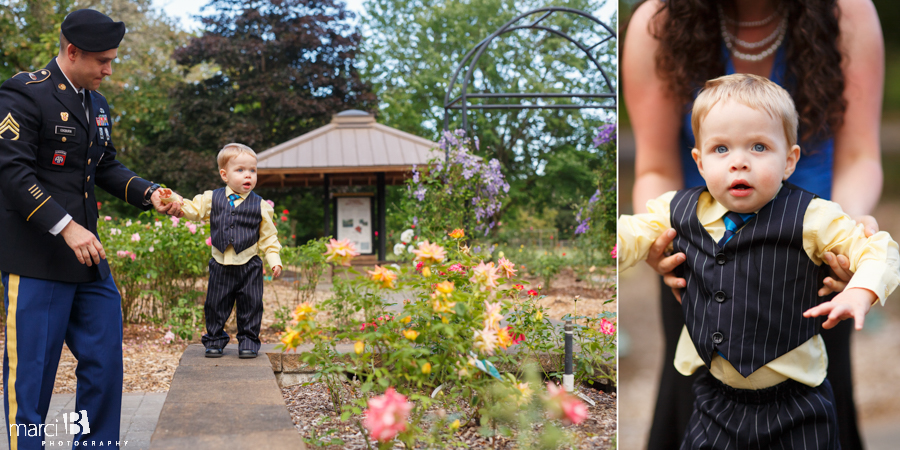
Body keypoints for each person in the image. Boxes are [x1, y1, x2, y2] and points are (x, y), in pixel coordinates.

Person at [622, 1, 884, 448]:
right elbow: (654, 167)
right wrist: (657, 242)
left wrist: (846, 232)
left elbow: (860, 156)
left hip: (814, 268)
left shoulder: (850, 11)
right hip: (700, 259)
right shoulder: (656, 23)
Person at [0, 9, 183, 449]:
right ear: (72, 51)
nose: (109, 69)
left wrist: (148, 193)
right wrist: (66, 227)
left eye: (113, 60)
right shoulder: (24, 94)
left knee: (103, 364)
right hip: (36, 260)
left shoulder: (96, 104)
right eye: (102, 60)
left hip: (88, 261)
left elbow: (105, 166)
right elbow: (11, 171)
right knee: (33, 378)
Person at [177, 143, 282, 359]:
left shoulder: (260, 205)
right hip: (221, 264)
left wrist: (274, 259)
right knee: (215, 305)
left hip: (249, 265)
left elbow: (269, 236)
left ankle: (249, 342)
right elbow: (193, 210)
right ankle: (214, 340)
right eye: (241, 170)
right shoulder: (211, 199)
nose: (248, 176)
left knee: (251, 305)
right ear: (224, 175)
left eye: (253, 170)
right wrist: (173, 201)